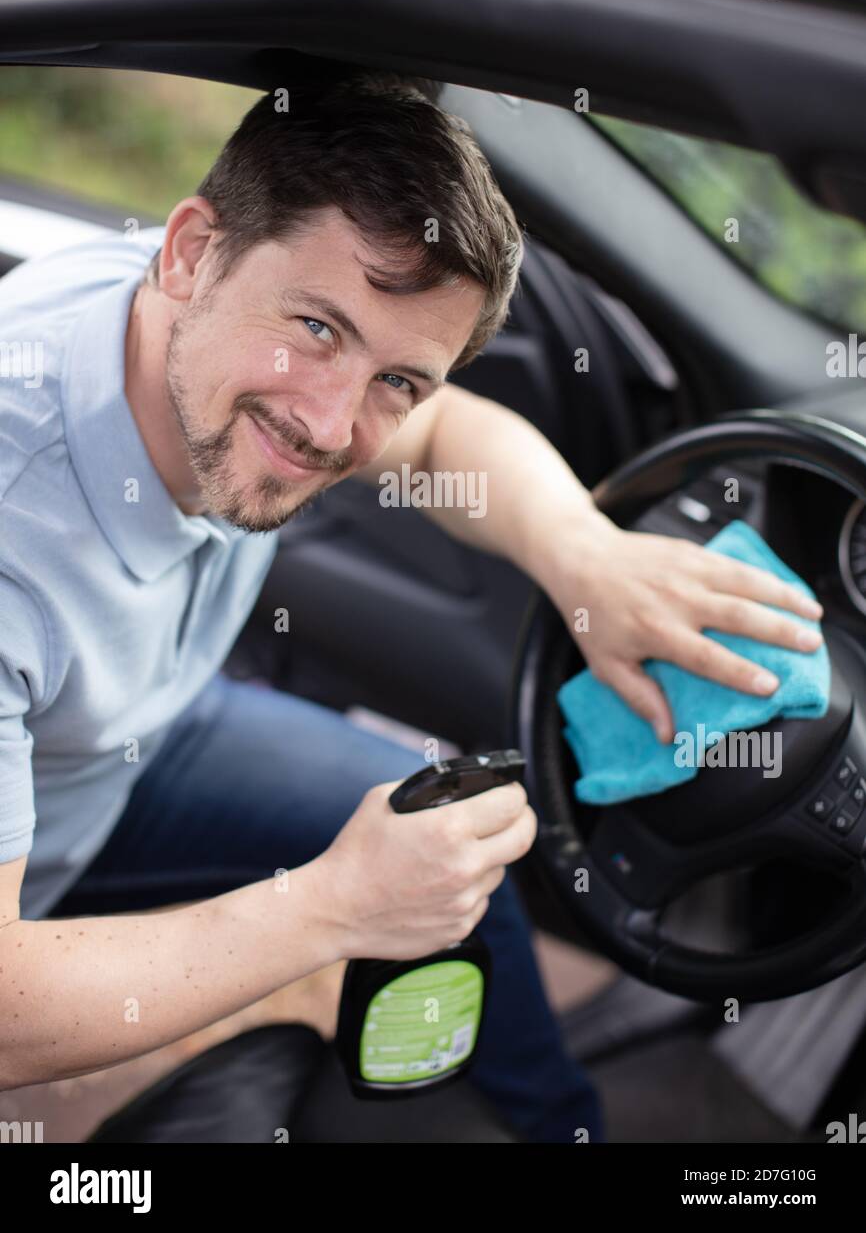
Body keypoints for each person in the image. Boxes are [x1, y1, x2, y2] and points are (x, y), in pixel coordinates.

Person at [0, 72, 823, 1143]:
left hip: (125, 736)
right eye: (317, 326)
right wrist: (332, 907)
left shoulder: (205, 319)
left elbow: (440, 437)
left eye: (399, 377)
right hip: (43, 849)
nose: (334, 425)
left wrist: (590, 563)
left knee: (437, 837)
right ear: (191, 249)